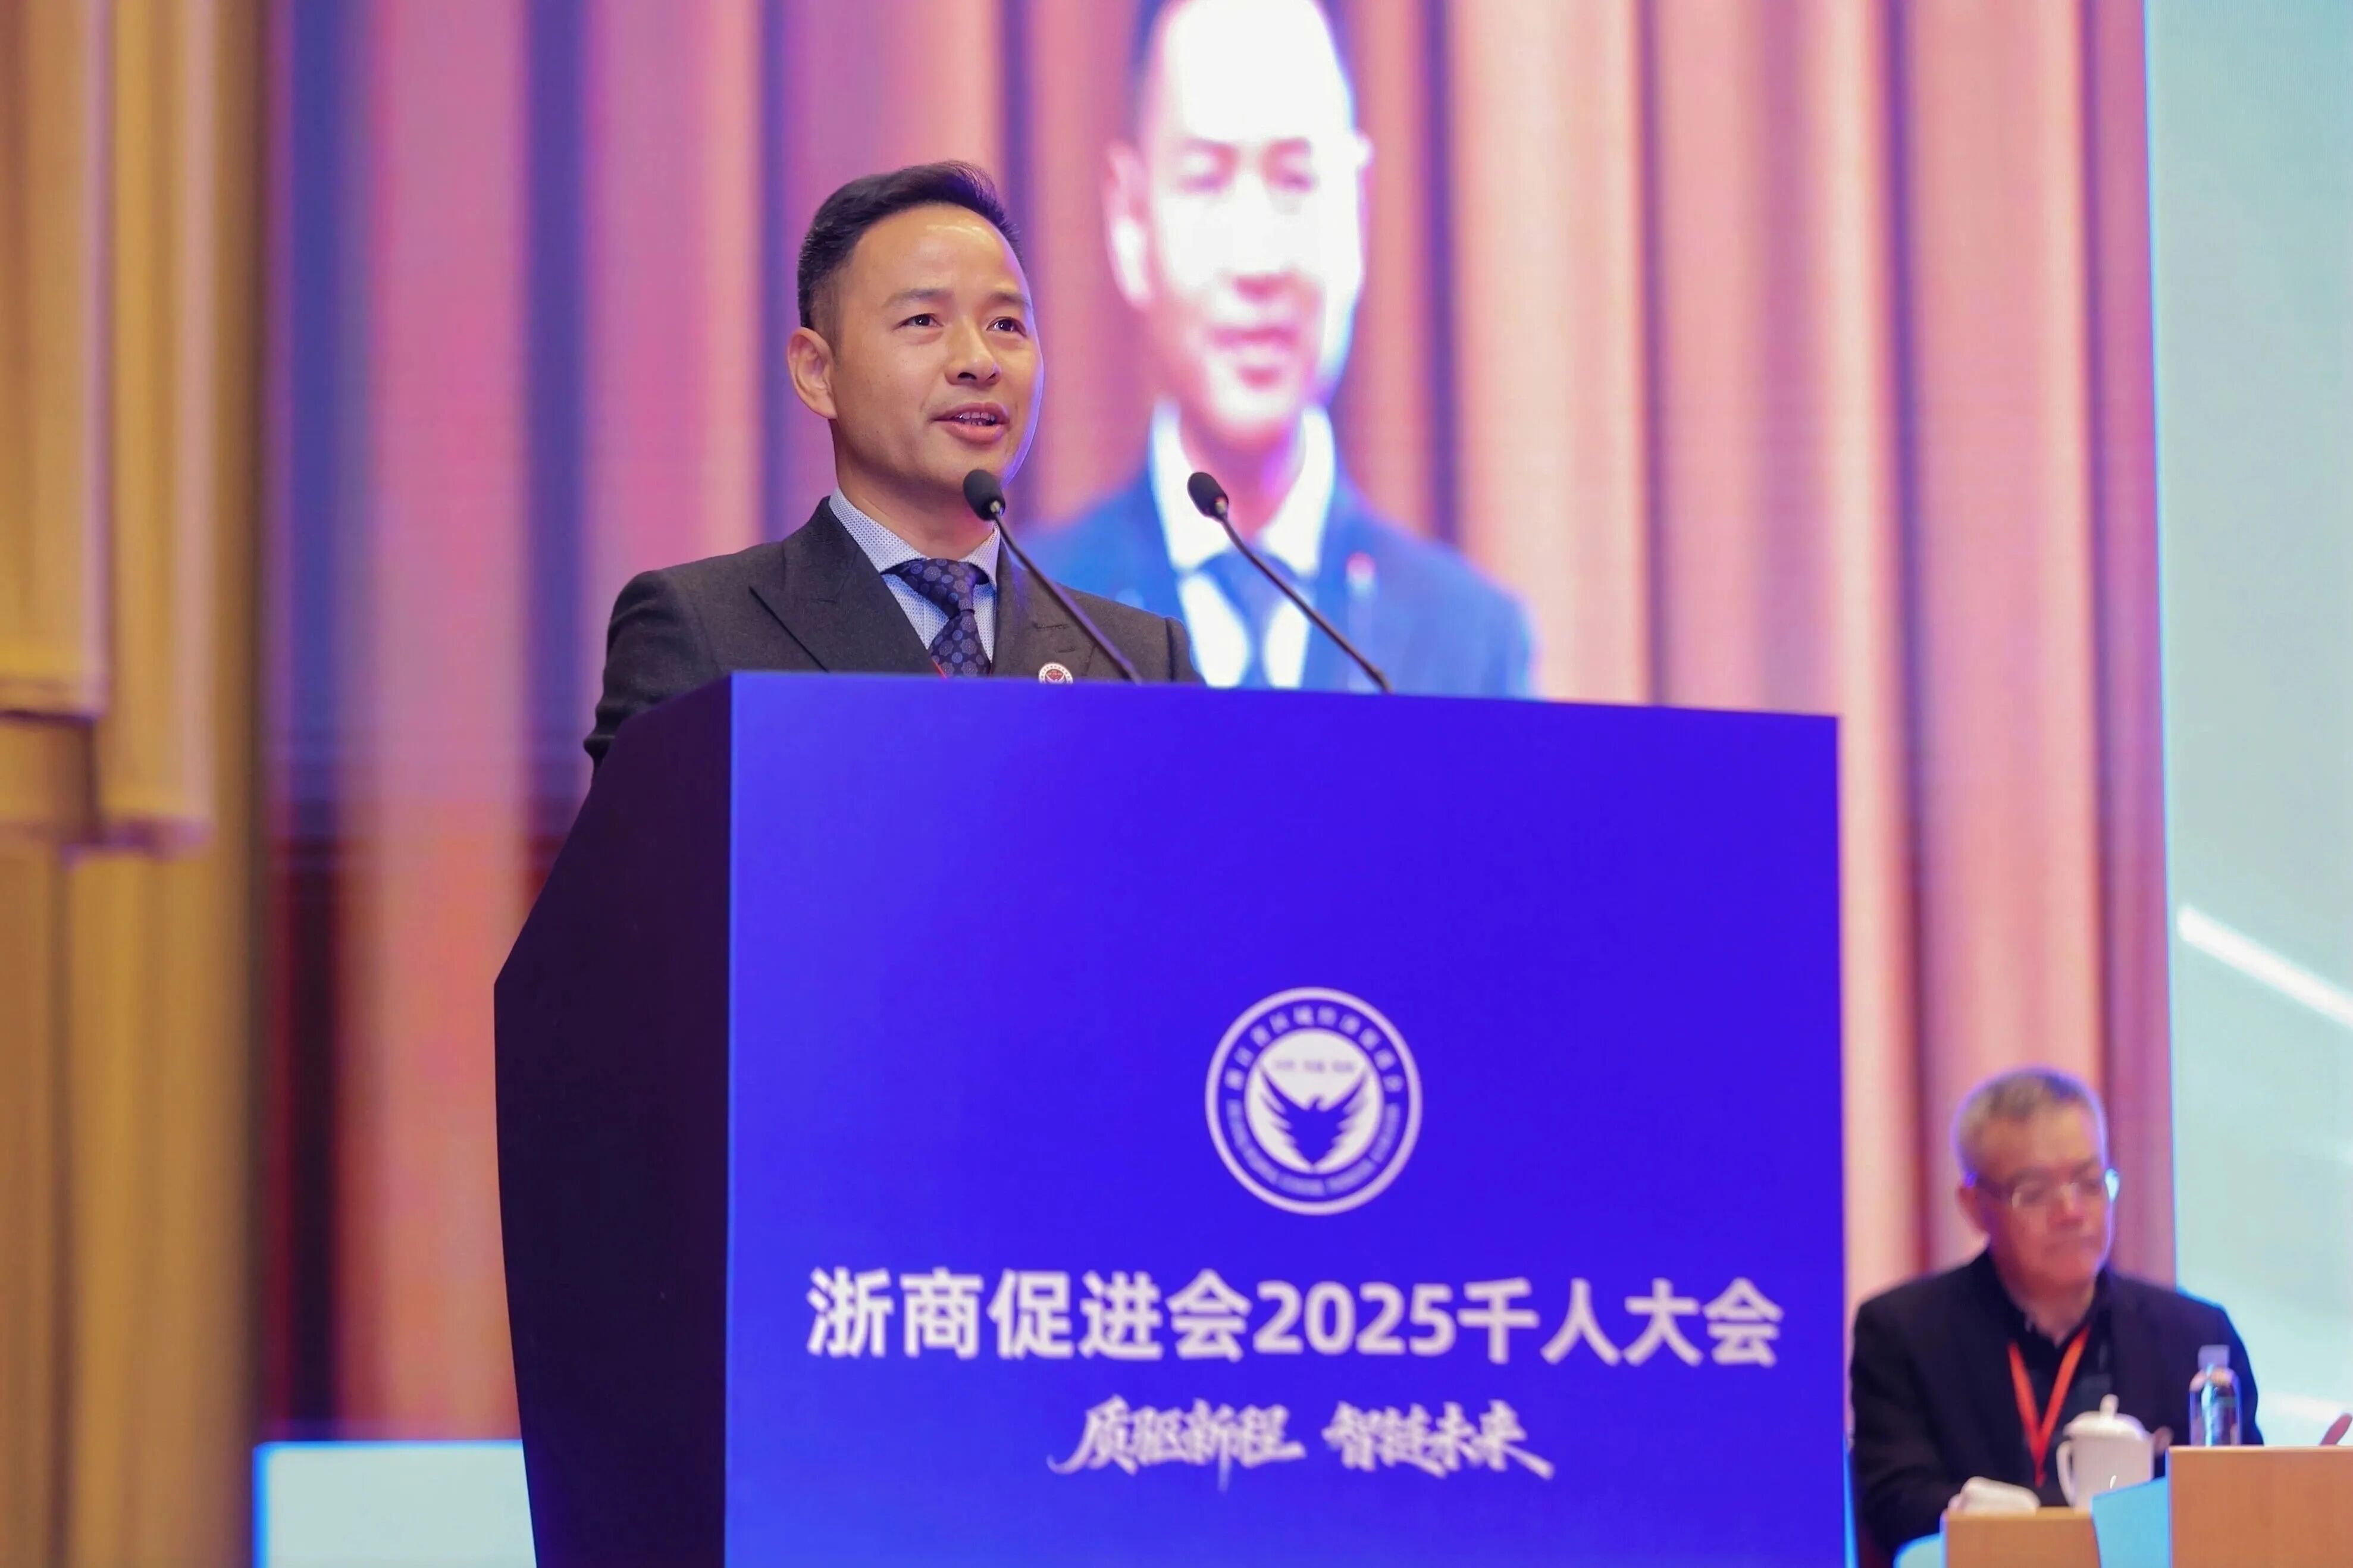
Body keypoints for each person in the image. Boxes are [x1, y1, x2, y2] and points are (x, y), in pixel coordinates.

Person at [587, 162, 1198, 769]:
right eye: (923, 321)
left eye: (1006, 324)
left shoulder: (1137, 659)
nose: (979, 360)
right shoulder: (700, 628)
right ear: (817, 372)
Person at [1030, 0, 1531, 697]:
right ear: (1131, 220)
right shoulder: (1027, 620)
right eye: (1206, 182)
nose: (1257, 259)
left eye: (1295, 180)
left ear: (1356, 209)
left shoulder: (1470, 644)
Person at [1850, 1068, 2261, 1556]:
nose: (2071, 1212)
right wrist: (2024, 1521)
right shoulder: (1904, 1331)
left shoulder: (2193, 1335)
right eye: (2034, 1191)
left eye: (2089, 1182)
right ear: (1974, 1206)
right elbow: (1896, 1503)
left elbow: (2240, 1502)